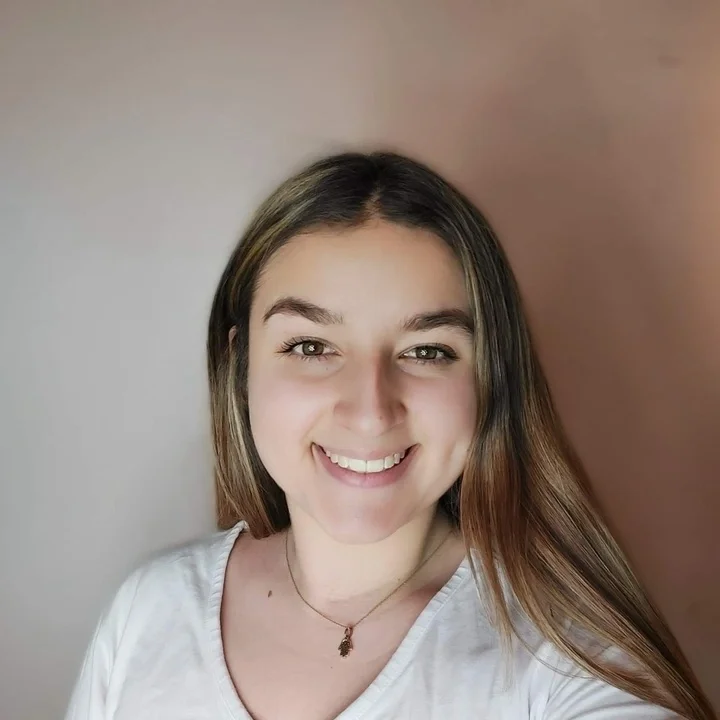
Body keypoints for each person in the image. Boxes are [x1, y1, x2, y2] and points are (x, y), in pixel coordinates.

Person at [65, 151, 713, 720]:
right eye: (311, 346)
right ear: (240, 364)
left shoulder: (570, 665)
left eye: (426, 351)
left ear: (488, 378)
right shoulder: (148, 610)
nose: (371, 411)